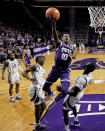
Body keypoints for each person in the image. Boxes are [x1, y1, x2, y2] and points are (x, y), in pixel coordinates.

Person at [48, 62, 95, 131]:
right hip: (80, 92)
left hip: (74, 95)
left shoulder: (82, 80)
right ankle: (76, 121)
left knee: (65, 109)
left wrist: (62, 90)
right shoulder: (90, 75)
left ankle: (67, 128)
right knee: (72, 105)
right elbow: (76, 89)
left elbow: (74, 93)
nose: (84, 64)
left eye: (86, 65)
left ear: (87, 68)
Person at [43, 19, 76, 102]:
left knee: (64, 91)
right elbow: (55, 36)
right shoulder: (59, 44)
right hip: (55, 69)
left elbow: (75, 56)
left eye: (68, 36)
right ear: (62, 38)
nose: (66, 37)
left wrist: (71, 55)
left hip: (65, 71)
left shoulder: (73, 47)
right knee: (45, 87)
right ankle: (49, 93)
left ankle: (55, 100)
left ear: (70, 39)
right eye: (65, 36)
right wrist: (53, 25)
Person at [22, 56, 47, 130]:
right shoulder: (36, 65)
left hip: (39, 89)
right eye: (41, 58)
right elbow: (23, 72)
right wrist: (29, 78)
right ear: (37, 60)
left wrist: (45, 89)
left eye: (43, 58)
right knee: (38, 106)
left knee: (43, 106)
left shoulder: (42, 69)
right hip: (34, 89)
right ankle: (37, 124)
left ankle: (37, 123)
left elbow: (41, 80)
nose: (43, 59)